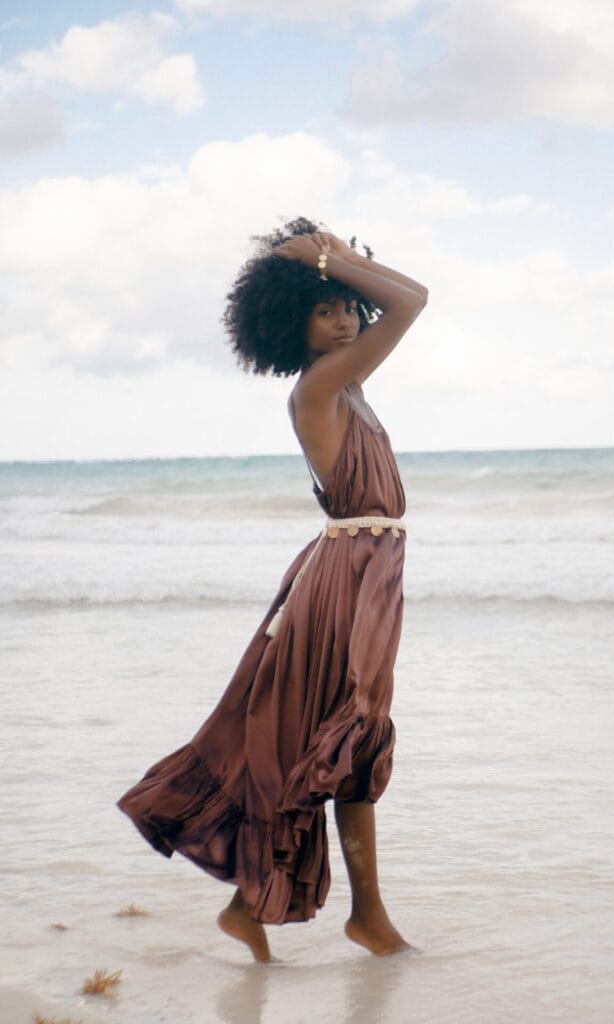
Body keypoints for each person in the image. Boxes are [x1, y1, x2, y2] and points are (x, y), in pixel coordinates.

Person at [117, 217, 428, 963]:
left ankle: (265, 909)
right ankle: (366, 918)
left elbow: (399, 303)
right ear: (295, 327)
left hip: (366, 570)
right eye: (325, 309)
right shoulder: (320, 385)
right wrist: (336, 259)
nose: (346, 316)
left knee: (343, 743)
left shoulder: (348, 384)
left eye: (348, 305)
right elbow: (414, 302)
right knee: (344, 738)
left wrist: (340, 266)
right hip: (346, 579)